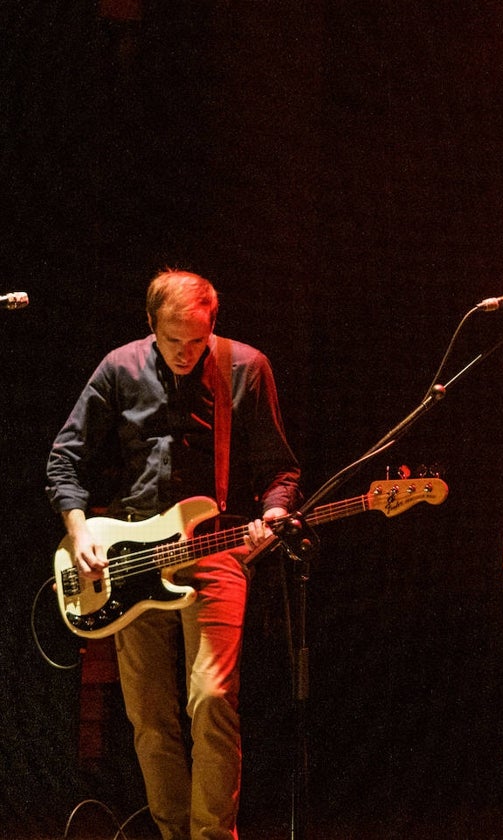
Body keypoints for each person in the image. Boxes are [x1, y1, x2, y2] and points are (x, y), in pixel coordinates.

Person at [46, 269, 302, 840]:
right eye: (172, 341)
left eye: (197, 340)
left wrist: (276, 513)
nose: (186, 353)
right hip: (128, 559)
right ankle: (171, 832)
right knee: (149, 718)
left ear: (214, 324)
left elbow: (280, 469)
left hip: (216, 549)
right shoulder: (119, 367)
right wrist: (80, 527)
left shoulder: (246, 367)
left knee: (211, 699)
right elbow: (65, 460)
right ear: (150, 325)